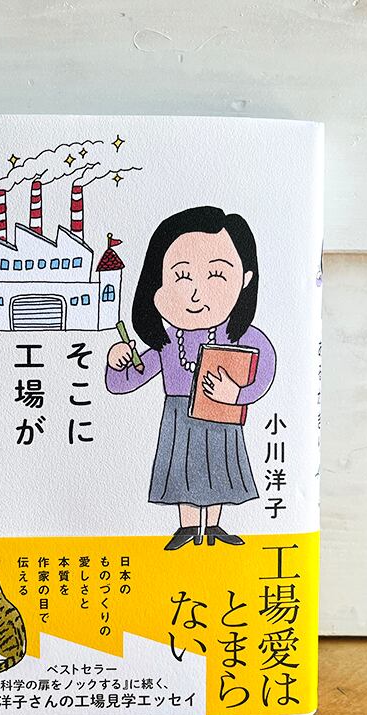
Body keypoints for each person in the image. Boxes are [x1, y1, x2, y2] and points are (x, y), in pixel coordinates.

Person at [105, 206, 276, 550]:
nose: (196, 293)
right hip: (179, 416)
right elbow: (124, 382)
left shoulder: (241, 335)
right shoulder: (168, 341)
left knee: (218, 468)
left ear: (245, 279)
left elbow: (266, 369)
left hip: (220, 414)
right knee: (183, 469)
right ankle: (186, 526)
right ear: (155, 284)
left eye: (216, 274)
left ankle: (212, 525)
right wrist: (116, 362)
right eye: (182, 276)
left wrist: (237, 394)